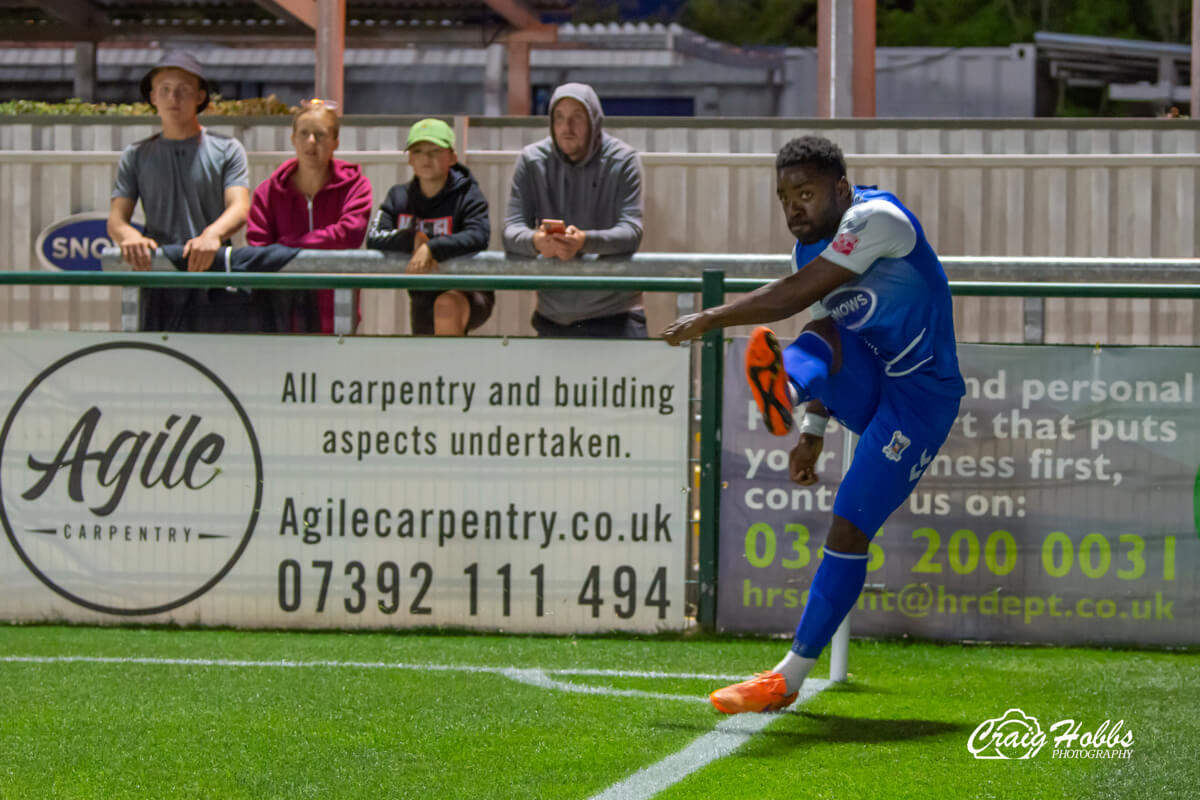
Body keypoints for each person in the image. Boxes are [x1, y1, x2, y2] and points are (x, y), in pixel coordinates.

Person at [663, 135, 966, 713]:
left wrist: (711, 317)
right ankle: (785, 387)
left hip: (921, 400)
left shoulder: (877, 218)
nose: (793, 207)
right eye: (783, 198)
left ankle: (788, 677)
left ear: (842, 188)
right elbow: (827, 332)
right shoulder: (808, 253)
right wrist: (812, 431)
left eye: (805, 192)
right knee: (822, 331)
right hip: (871, 379)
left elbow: (793, 295)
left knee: (849, 525)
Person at [107, 50, 252, 331]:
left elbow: (240, 206)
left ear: (200, 96)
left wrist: (213, 235)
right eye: (165, 90)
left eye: (183, 90)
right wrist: (129, 236)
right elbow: (116, 219)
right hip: (159, 276)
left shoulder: (227, 150)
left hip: (215, 277)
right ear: (153, 98)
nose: (173, 98)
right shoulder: (136, 155)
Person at [502, 82, 646, 338]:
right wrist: (537, 242)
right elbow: (511, 230)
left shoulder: (624, 160)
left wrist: (583, 241)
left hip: (616, 315)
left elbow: (631, 231)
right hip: (552, 316)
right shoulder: (532, 160)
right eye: (559, 118)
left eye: (576, 118)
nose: (566, 128)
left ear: (594, 121)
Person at [246, 98, 372, 333]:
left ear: (335, 142)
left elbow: (349, 234)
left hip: (338, 310)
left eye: (320, 134)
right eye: (304, 133)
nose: (311, 141)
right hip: (282, 313)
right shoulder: (267, 192)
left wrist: (286, 246)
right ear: (293, 140)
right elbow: (258, 247)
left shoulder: (356, 186)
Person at [366, 118, 493, 335]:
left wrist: (431, 247)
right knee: (424, 357)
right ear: (409, 159)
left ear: (452, 157)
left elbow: (479, 234)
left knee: (445, 308)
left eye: (435, 150)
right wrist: (412, 239)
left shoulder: (469, 195)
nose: (426, 157)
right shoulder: (398, 196)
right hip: (422, 294)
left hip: (467, 290)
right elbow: (374, 237)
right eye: (418, 151)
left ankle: (449, 370)